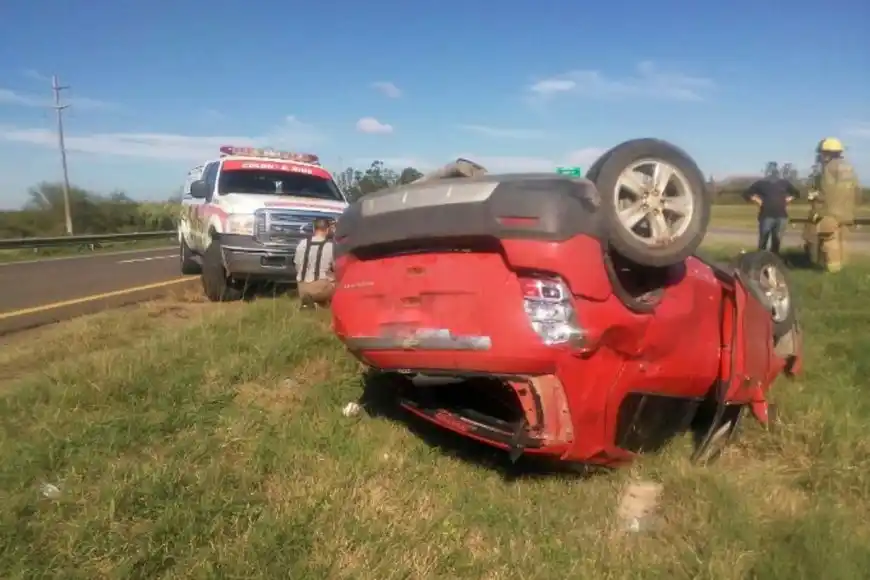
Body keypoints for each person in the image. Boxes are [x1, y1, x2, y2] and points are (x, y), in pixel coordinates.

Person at [809, 137, 860, 272]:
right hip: (847, 213)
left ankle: (832, 271)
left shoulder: (828, 169)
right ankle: (842, 268)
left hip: (829, 212)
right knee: (842, 241)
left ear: (826, 153)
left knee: (828, 241)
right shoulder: (848, 167)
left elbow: (826, 192)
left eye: (821, 153)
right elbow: (855, 190)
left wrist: (815, 200)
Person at [743, 173, 801, 255]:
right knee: (763, 240)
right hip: (766, 215)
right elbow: (746, 193)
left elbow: (796, 193)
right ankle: (761, 259)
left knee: (777, 240)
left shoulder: (784, 183)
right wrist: (757, 200)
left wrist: (788, 199)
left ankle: (774, 260)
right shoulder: (760, 184)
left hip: (781, 216)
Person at [294, 218, 335, 309]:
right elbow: (337, 268)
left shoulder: (302, 244)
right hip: (321, 288)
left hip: (302, 289)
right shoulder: (330, 246)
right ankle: (322, 303)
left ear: (314, 229)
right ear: (328, 230)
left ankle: (312, 303)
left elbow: (297, 266)